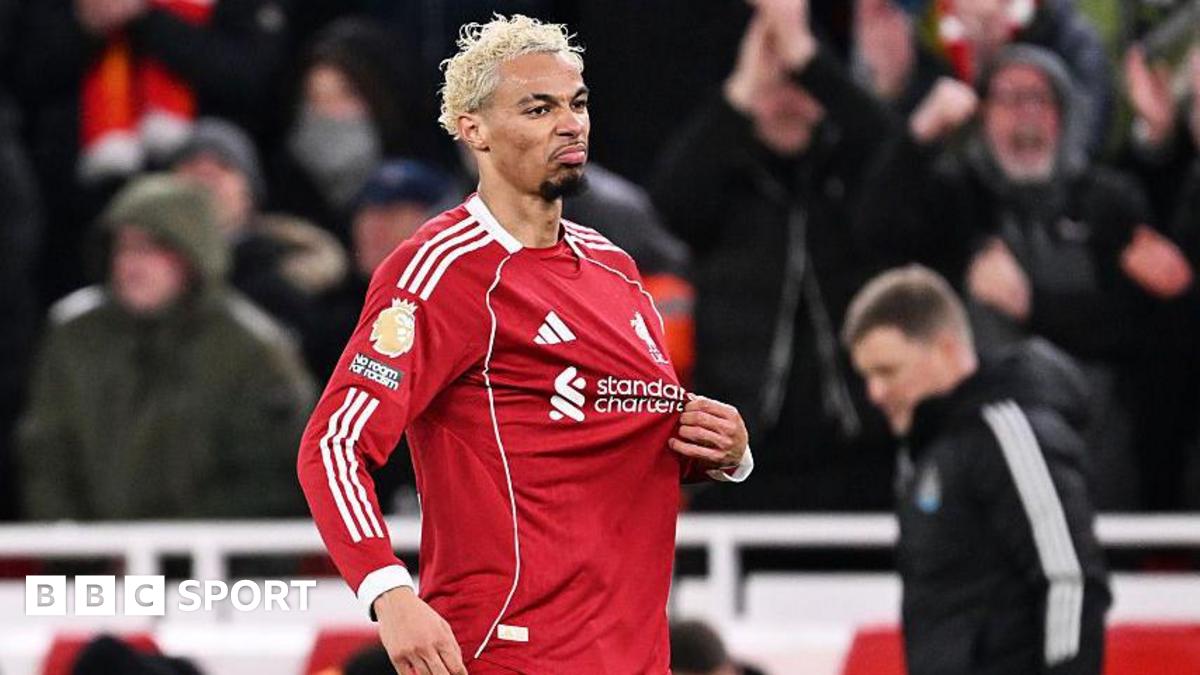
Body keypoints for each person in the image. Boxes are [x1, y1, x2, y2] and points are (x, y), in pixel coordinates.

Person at [296, 15, 753, 674]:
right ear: (473, 129)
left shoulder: (617, 271)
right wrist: (388, 590)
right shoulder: (439, 269)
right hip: (507, 655)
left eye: (578, 103)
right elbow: (334, 443)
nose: (570, 123)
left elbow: (623, 435)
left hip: (633, 655)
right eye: (539, 108)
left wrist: (728, 453)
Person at [857, 45, 1193, 508]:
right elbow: (874, 228)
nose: (1024, 114)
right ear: (984, 115)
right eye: (1007, 98)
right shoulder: (958, 199)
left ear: (1064, 113)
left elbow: (1139, 325)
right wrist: (919, 135)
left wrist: (1031, 305)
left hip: (1098, 469)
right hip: (980, 468)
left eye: (1038, 98)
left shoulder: (1108, 199)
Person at [651, 0, 894, 510]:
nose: (787, 98)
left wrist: (806, 55)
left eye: (801, 83)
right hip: (741, 453)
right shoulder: (724, 179)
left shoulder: (856, 175)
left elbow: (899, 156)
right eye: (774, 82)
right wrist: (742, 87)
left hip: (858, 451)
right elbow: (671, 201)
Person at [843, 264, 1110, 675]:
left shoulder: (1007, 431)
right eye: (867, 377)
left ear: (947, 350)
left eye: (887, 371)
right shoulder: (934, 450)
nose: (875, 393)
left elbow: (1069, 580)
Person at [19, 174, 314, 520]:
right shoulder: (74, 334)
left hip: (220, 565)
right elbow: (46, 454)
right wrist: (77, 550)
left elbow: (271, 474)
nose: (130, 263)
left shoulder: (253, 347)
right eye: (123, 247)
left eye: (150, 248)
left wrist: (182, 554)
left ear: (193, 253)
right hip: (94, 564)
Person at [172, 117, 351, 378]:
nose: (206, 178)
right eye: (191, 166)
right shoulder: (129, 272)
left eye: (223, 166)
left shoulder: (290, 276)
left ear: (249, 193)